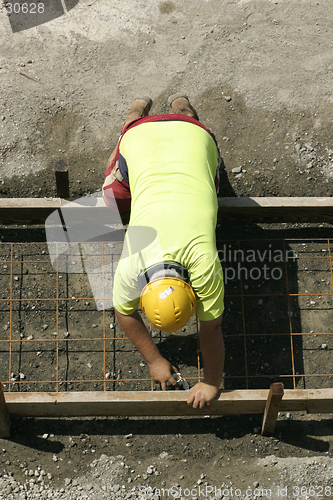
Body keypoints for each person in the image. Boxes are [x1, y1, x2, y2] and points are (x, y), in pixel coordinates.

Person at [103, 94, 225, 409]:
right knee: (111, 194)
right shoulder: (136, 264)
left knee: (114, 196)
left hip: (194, 133)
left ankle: (153, 113)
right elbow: (209, 330)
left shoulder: (199, 263)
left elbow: (124, 311)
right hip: (167, 133)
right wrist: (155, 360)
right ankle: (156, 111)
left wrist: (210, 382)